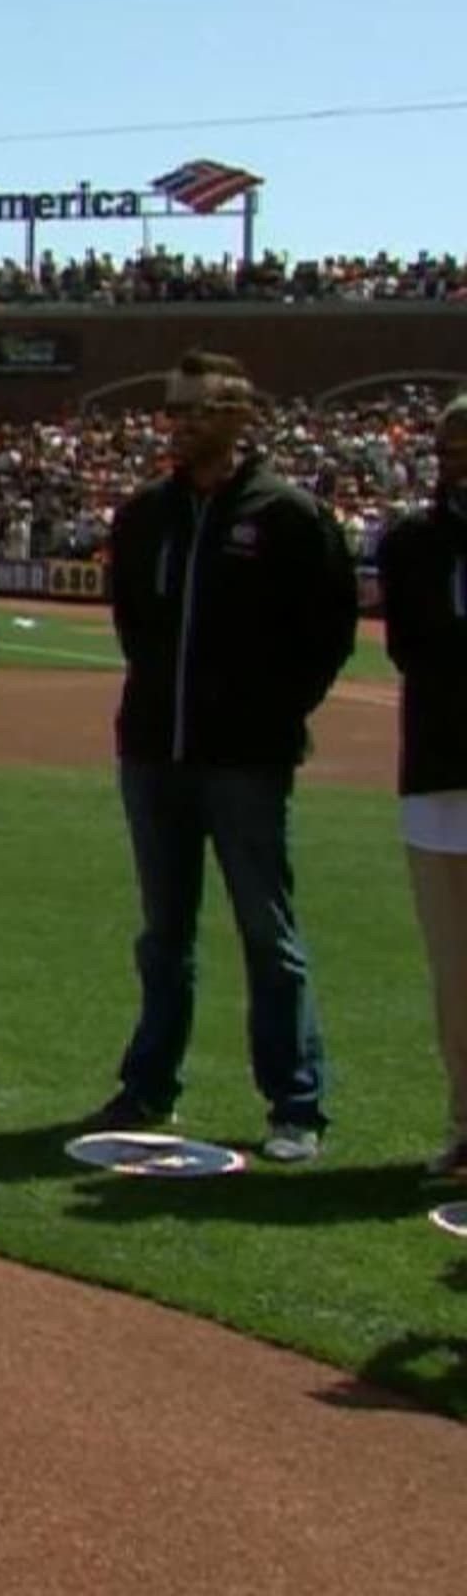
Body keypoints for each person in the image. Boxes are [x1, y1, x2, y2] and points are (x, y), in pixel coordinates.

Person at [89, 351, 362, 1163]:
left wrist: (271, 713)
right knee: (162, 935)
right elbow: (134, 625)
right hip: (153, 753)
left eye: (200, 410)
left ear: (242, 417)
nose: (181, 424)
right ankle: (148, 1087)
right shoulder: (145, 517)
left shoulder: (288, 516)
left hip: (245, 760)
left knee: (265, 932)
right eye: (173, 409)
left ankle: (295, 1102)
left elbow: (328, 632)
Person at [380, 393, 467, 1182]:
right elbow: (408, 647)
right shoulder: (414, 541)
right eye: (451, 445)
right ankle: (466, 1121)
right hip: (439, 774)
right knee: (455, 970)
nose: (460, 457)